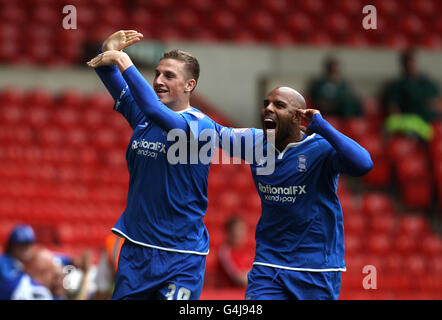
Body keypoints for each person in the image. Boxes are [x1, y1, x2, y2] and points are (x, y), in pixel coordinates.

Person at [87, 30, 217, 300]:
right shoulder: (146, 119)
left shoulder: (199, 126)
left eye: (169, 76)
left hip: (180, 256)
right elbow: (108, 75)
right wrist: (106, 49)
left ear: (189, 85)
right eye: (157, 73)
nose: (158, 80)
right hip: (136, 251)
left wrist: (124, 62)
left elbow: (153, 108)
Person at [214, 87, 373, 299]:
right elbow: (211, 132)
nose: (268, 109)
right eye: (266, 104)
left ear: (298, 116)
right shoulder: (254, 143)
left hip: (316, 269)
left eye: (278, 105)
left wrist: (323, 127)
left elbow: (363, 164)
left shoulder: (321, 148)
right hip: (268, 265)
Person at [380, 49, 440, 141]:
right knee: (392, 123)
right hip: (406, 120)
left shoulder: (426, 83)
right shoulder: (397, 85)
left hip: (425, 123)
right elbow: (393, 108)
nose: (409, 64)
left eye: (411, 60)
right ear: (402, 64)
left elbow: (436, 102)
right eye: (406, 61)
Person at [0, 224, 52, 300]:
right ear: (12, 246)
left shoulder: (34, 261)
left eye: (28, 244)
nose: (26, 248)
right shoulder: (3, 262)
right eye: (21, 245)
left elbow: (55, 258)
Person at [216, 216, 253, 288]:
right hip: (228, 294)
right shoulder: (224, 252)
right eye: (237, 231)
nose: (240, 234)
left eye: (242, 230)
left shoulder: (248, 252)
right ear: (229, 233)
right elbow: (239, 279)